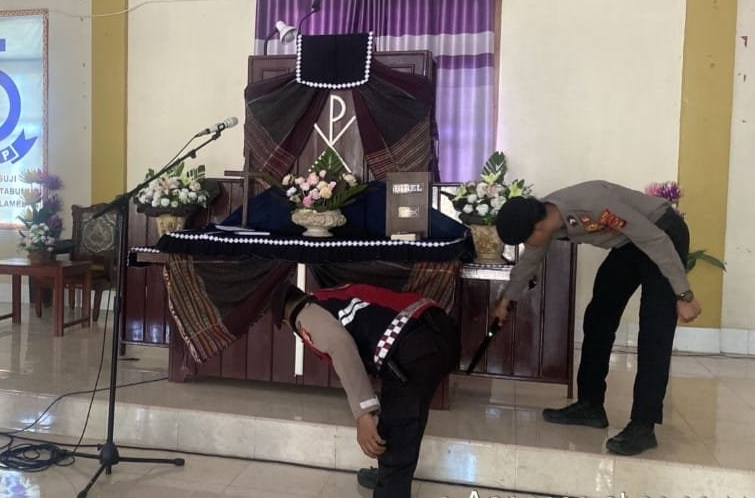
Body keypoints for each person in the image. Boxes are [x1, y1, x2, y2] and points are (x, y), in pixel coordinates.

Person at [492, 179, 700, 457]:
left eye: (525, 240)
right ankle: (590, 406)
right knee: (599, 317)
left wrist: (683, 294)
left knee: (654, 331)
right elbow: (530, 260)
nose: (527, 245)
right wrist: (506, 300)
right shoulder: (545, 216)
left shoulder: (593, 205)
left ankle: (643, 425)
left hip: (661, 232)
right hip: (629, 242)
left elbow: (653, 239)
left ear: (537, 229)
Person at [271, 280, 460, 498]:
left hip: (414, 342)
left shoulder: (305, 317)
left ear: (286, 321)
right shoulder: (330, 298)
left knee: (397, 431)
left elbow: (340, 345)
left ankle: (390, 489)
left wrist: (363, 413)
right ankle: (387, 475)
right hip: (439, 329)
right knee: (409, 419)